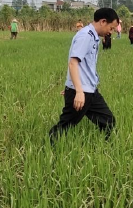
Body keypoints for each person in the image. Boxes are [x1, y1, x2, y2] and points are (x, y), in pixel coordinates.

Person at [49, 8, 119, 145]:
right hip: (81, 92)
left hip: (90, 90)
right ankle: (47, 147)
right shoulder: (85, 36)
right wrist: (76, 91)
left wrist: (72, 85)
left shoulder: (93, 37)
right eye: (111, 28)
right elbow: (73, 63)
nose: (111, 32)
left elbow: (84, 65)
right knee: (66, 125)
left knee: (108, 120)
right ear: (103, 21)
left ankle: (105, 149)